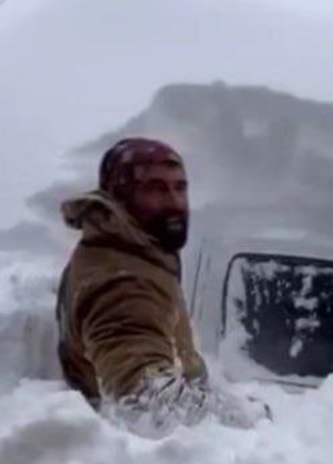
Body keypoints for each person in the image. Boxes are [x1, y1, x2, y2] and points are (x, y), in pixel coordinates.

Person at [55, 137, 270, 438]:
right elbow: (147, 402)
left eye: (180, 187)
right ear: (121, 197)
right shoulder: (123, 281)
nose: (174, 201)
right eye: (155, 189)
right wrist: (247, 419)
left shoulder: (129, 252)